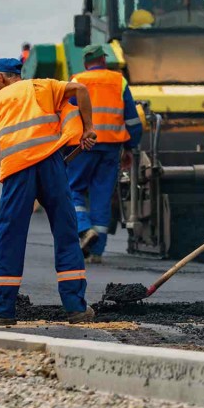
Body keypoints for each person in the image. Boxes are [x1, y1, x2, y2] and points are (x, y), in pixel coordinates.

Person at [0, 58, 98, 325]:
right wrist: (88, 128)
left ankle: (4, 311)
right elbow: (80, 90)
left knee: (10, 236)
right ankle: (76, 308)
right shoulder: (43, 87)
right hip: (52, 164)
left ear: (0, 78)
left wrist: (17, 188)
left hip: (18, 171)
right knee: (66, 233)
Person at [66, 45, 143, 263]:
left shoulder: (76, 79)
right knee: (102, 196)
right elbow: (133, 120)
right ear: (103, 60)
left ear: (85, 63)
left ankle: (83, 228)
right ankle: (97, 252)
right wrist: (131, 146)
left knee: (72, 188)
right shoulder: (119, 81)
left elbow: (67, 114)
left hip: (82, 145)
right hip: (111, 147)